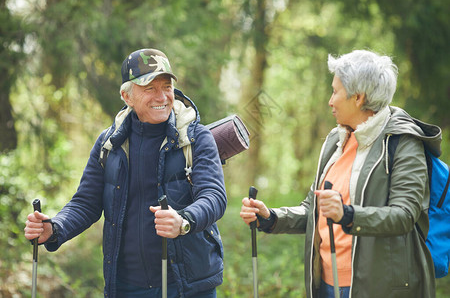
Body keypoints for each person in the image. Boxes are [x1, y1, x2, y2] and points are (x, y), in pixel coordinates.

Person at [24, 48, 227, 298]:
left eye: (166, 87)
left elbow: (214, 196)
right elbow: (86, 202)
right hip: (126, 286)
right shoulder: (109, 144)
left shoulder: (196, 137)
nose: (161, 96)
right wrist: (55, 228)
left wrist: (184, 221)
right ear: (127, 96)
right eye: (149, 88)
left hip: (188, 286)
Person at [240, 50, 439, 298]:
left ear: (358, 97)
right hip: (325, 283)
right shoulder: (336, 140)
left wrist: (348, 214)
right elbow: (315, 208)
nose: (329, 101)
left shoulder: (403, 142)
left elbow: (404, 215)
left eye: (335, 91)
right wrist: (271, 217)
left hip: (378, 288)